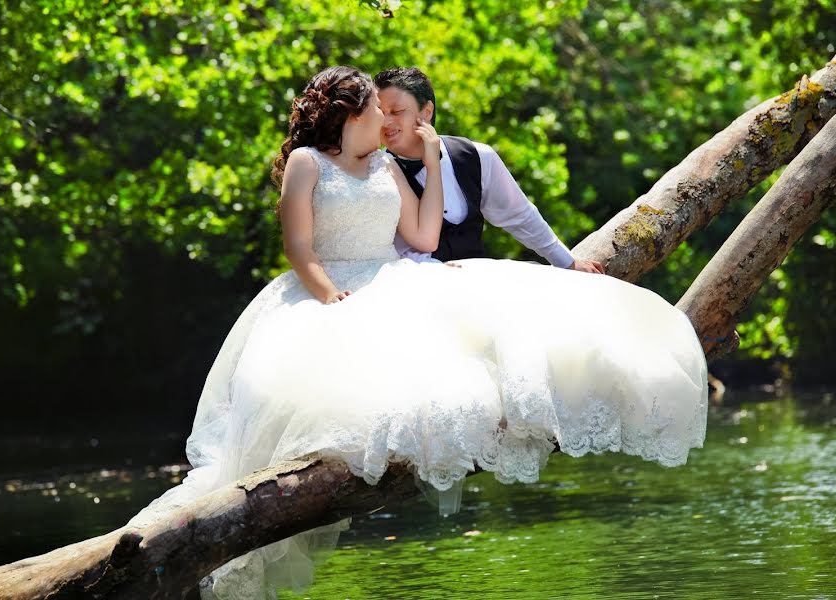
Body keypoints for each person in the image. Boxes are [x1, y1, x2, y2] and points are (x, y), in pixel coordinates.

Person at [129, 66, 708, 599]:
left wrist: (431, 164)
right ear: (350, 114)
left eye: (392, 110)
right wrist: (330, 294)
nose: (386, 120)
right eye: (375, 109)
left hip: (393, 277)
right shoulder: (308, 162)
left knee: (491, 334)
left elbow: (426, 238)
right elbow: (298, 247)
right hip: (325, 285)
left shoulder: (387, 167)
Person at [376, 66, 605, 273]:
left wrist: (567, 261)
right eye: (380, 112)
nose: (386, 122)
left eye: (396, 111)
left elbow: (520, 215)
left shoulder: (477, 156)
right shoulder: (377, 173)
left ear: (426, 112)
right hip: (412, 289)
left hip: (476, 282)